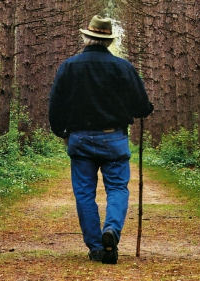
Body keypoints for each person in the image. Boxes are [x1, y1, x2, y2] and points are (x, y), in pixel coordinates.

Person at [48, 15, 153, 264]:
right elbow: (140, 106)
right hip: (113, 137)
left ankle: (96, 248)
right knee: (117, 188)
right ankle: (111, 231)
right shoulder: (123, 67)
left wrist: (60, 130)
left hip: (79, 137)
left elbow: (56, 104)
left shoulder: (69, 66)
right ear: (108, 40)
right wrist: (146, 108)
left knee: (84, 193)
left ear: (86, 37)